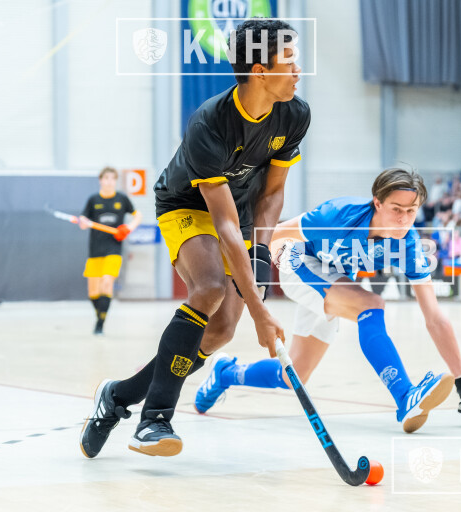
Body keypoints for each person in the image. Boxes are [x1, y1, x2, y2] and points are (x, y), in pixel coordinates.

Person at [79, 19, 310, 459]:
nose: (299, 69)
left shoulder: (295, 114)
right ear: (260, 71)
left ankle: (118, 395)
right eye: (290, 60)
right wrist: (260, 309)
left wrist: (261, 256)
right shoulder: (209, 123)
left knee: (221, 330)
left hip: (242, 214)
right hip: (187, 203)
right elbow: (222, 224)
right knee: (209, 289)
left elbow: (272, 193)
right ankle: (154, 420)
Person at [194, 169, 461, 433]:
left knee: (294, 375)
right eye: (396, 209)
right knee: (370, 305)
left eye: (411, 211)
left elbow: (434, 317)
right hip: (300, 263)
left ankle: (226, 373)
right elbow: (277, 233)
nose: (404, 219)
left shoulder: (410, 245)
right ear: (377, 203)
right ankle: (405, 397)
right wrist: (256, 273)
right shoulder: (337, 215)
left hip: (335, 278)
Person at [79, 167, 142, 335]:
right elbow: (84, 220)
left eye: (112, 178)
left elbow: (138, 215)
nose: (109, 181)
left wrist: (128, 228)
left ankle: (100, 325)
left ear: (115, 181)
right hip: (95, 250)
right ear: (101, 180)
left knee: (107, 282)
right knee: (93, 293)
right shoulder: (93, 200)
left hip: (113, 249)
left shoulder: (122, 199)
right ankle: (100, 315)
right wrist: (83, 222)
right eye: (106, 178)